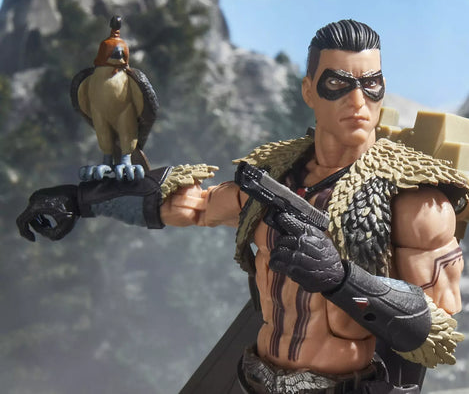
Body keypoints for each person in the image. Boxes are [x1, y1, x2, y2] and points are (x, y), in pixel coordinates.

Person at [17, 20, 469, 393]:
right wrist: (80, 199)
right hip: (254, 379)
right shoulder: (277, 174)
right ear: (309, 90)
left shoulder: (414, 199)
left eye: (372, 85)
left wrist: (342, 279)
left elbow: (436, 332)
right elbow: (195, 205)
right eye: (337, 83)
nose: (358, 101)